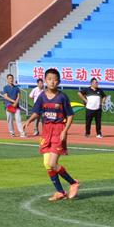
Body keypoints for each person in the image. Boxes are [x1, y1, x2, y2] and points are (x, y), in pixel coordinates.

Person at [22, 68, 80, 202]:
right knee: (47, 164)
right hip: (46, 131)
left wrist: (65, 131)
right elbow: (37, 112)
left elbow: (70, 115)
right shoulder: (42, 96)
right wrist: (29, 121)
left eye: (54, 80)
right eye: (49, 79)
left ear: (58, 81)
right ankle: (60, 192)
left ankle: (73, 183)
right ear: (45, 80)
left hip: (58, 131)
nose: (52, 82)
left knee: (52, 163)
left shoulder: (62, 97)